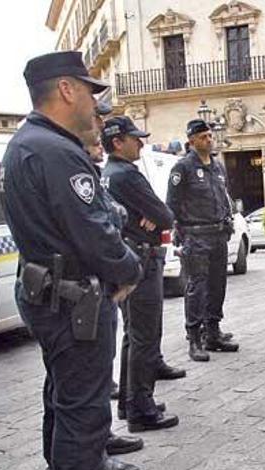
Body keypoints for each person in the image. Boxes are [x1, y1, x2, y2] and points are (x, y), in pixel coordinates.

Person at [1, 51, 143, 470]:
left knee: (63, 399)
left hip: (50, 294)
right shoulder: (57, 151)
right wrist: (130, 268)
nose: (92, 104)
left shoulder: (26, 143)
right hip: (75, 301)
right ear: (66, 89)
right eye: (88, 91)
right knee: (83, 410)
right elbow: (95, 232)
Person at [101, 116, 181, 434]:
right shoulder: (126, 176)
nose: (141, 143)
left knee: (132, 336)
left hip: (128, 256)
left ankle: (128, 402)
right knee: (145, 337)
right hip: (141, 261)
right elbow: (165, 215)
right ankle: (141, 408)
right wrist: (152, 217)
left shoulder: (107, 174)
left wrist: (150, 217)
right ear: (118, 142)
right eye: (135, 138)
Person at [82, 132, 144, 470]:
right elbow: (96, 227)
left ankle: (100, 442)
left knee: (98, 379)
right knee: (83, 388)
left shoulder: (88, 167)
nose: (98, 135)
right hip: (81, 289)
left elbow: (115, 215)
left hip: (95, 286)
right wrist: (129, 269)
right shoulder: (60, 158)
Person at [167, 119, 239, 362]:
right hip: (196, 237)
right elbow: (172, 205)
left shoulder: (218, 167)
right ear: (192, 141)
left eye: (210, 135)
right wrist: (180, 233)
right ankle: (194, 338)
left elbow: (223, 197)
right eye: (204, 137)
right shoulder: (183, 168)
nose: (209, 140)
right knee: (197, 287)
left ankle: (213, 332)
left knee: (218, 285)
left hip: (218, 234)